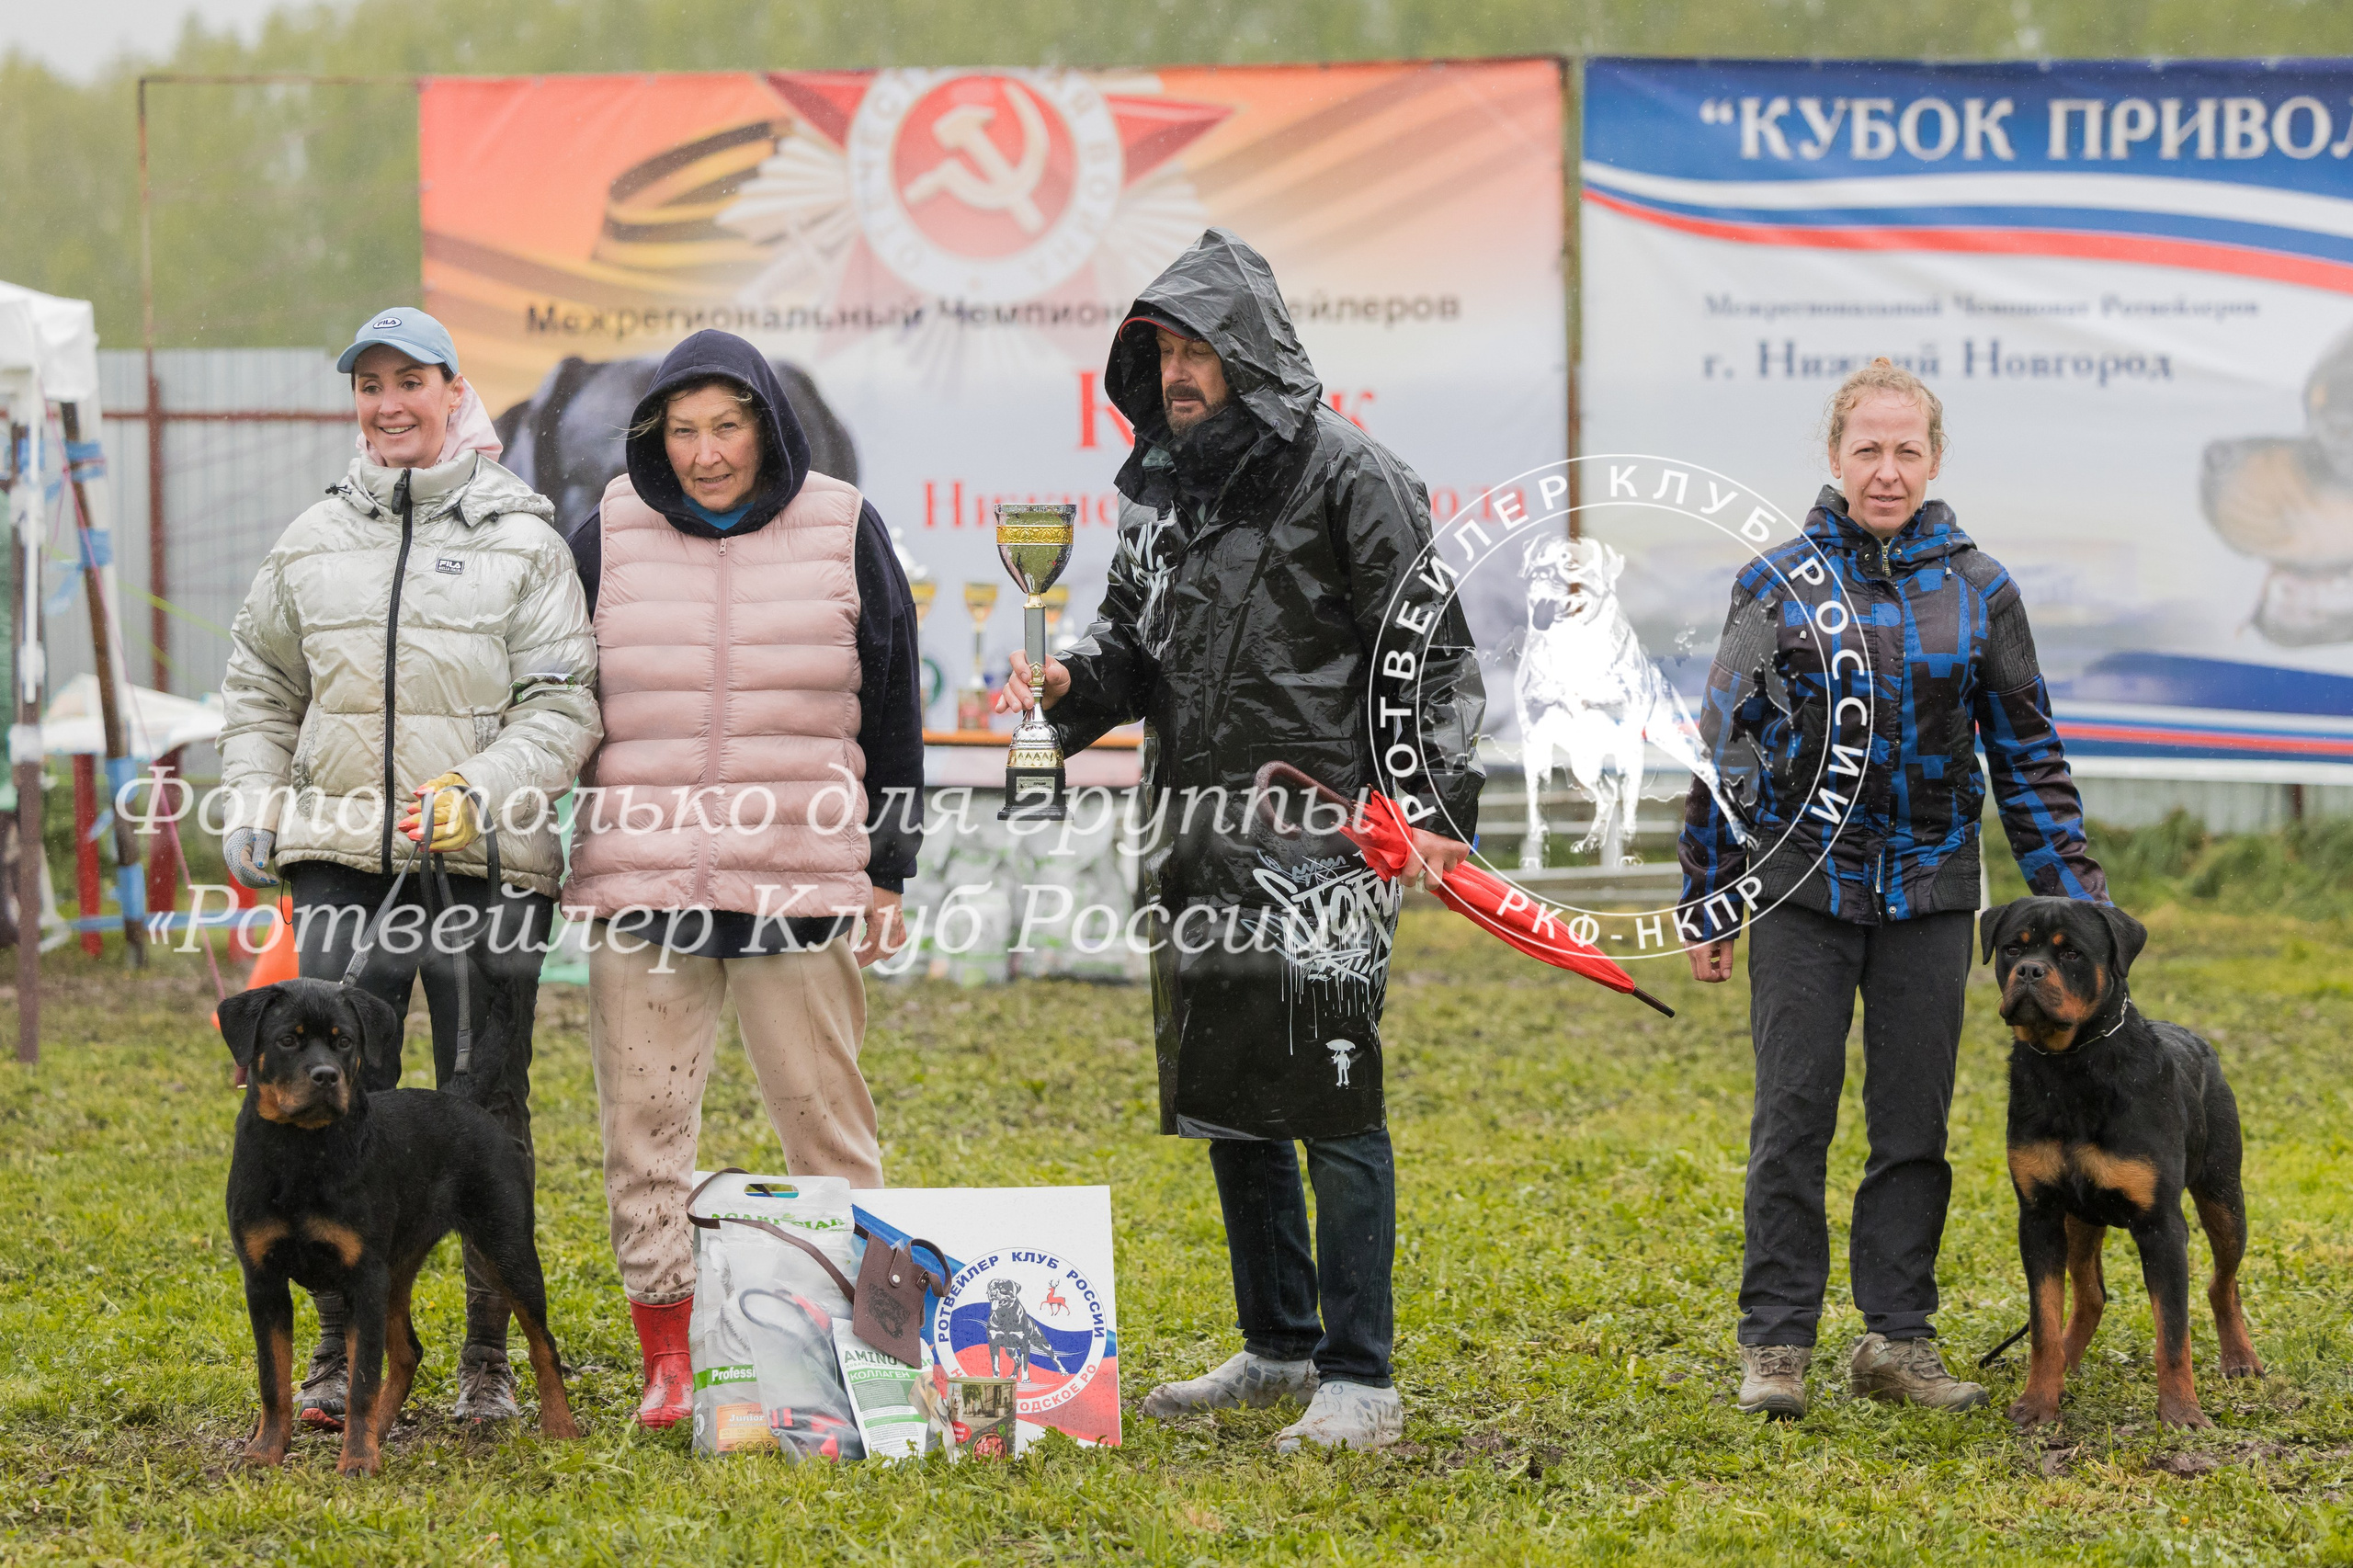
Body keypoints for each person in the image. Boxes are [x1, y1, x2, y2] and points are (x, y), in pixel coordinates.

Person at [998, 229, 1484, 1453]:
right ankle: (1278, 1347)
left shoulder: (1353, 474)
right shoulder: (1162, 489)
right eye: (1161, 350)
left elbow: (1428, 655)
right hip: (1195, 839)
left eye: (1198, 348)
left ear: (1252, 351)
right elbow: (1129, 648)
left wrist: (1432, 805)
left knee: (1331, 1092)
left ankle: (1361, 1378)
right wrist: (1068, 684)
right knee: (1233, 1090)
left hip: (1324, 837)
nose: (1177, 371)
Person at [1679, 357, 2107, 1421]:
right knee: (1792, 1116)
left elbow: (2028, 759)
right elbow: (1727, 744)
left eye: (1905, 449)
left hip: (1931, 892)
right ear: (1834, 455)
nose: (1885, 469)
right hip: (1800, 891)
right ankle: (1776, 1343)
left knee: (1912, 1126)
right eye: (1866, 448)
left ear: (1934, 458)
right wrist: (1709, 889)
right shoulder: (1774, 581)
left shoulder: (1981, 590)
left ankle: (1896, 1340)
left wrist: (2082, 904)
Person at [218, 305, 602, 1426]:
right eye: (369, 384)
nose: (388, 404)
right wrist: (252, 798)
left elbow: (563, 701)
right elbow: (259, 688)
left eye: (409, 381)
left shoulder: (524, 537)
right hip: (341, 859)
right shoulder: (310, 538)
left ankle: (489, 1353)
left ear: (453, 391)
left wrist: (476, 788)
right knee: (338, 1089)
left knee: (485, 1097)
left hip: (486, 862)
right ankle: (339, 1349)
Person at [560, 329, 922, 1430]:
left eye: (726, 426)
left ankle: (878, 1352)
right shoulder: (606, 532)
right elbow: (555, 698)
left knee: (826, 1123)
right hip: (644, 885)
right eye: (683, 430)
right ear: (653, 435)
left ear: (767, 426)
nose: (706, 452)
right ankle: (671, 1361)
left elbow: (892, 701)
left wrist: (889, 866)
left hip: (798, 881)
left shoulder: (843, 524)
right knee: (645, 1127)